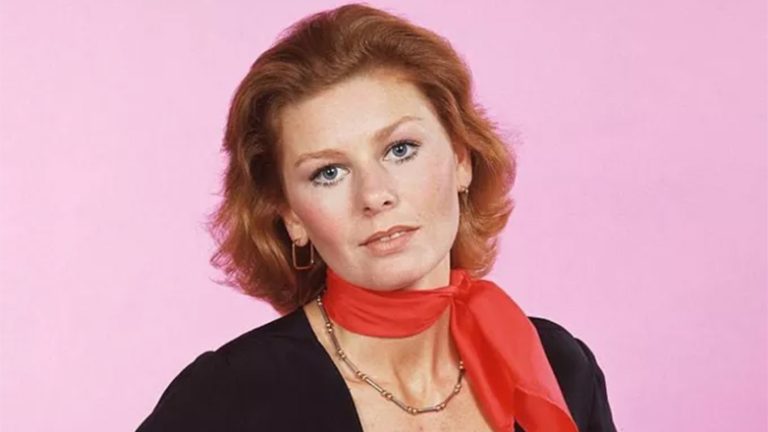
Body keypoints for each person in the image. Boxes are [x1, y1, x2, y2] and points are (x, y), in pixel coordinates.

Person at [136, 3, 617, 431]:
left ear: (462, 160)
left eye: (400, 149)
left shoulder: (557, 366)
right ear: (291, 216)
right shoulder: (230, 398)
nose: (375, 195)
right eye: (328, 172)